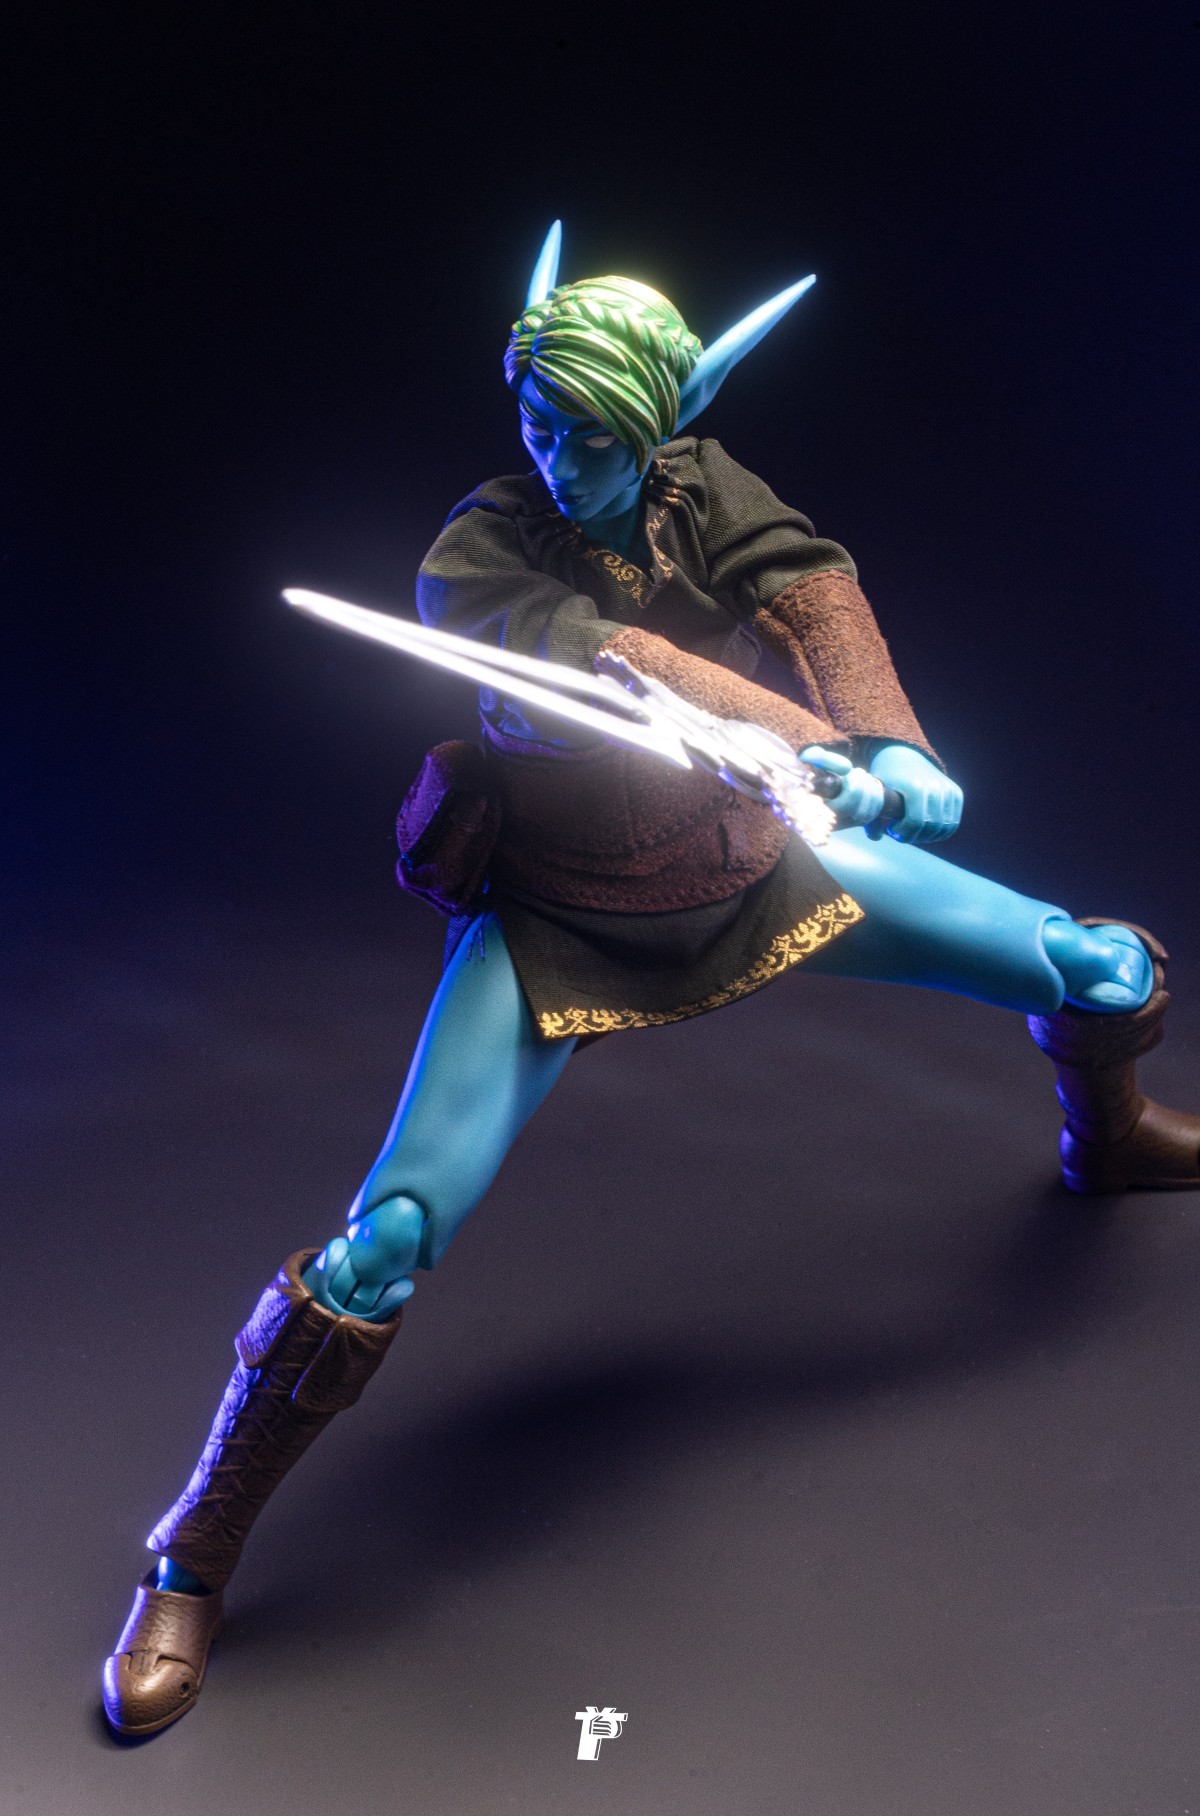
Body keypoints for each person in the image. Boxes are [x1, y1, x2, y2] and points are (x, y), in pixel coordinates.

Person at [102, 225, 1200, 1736]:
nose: (557, 458)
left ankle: (1108, 1137)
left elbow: (812, 587)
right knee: (382, 1246)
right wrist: (812, 748)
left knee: (1099, 962)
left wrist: (893, 744)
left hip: (762, 870)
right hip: (563, 923)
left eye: (591, 437)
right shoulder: (482, 550)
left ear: (655, 431)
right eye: (538, 422)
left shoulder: (703, 487)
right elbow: (624, 666)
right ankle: (194, 1555)